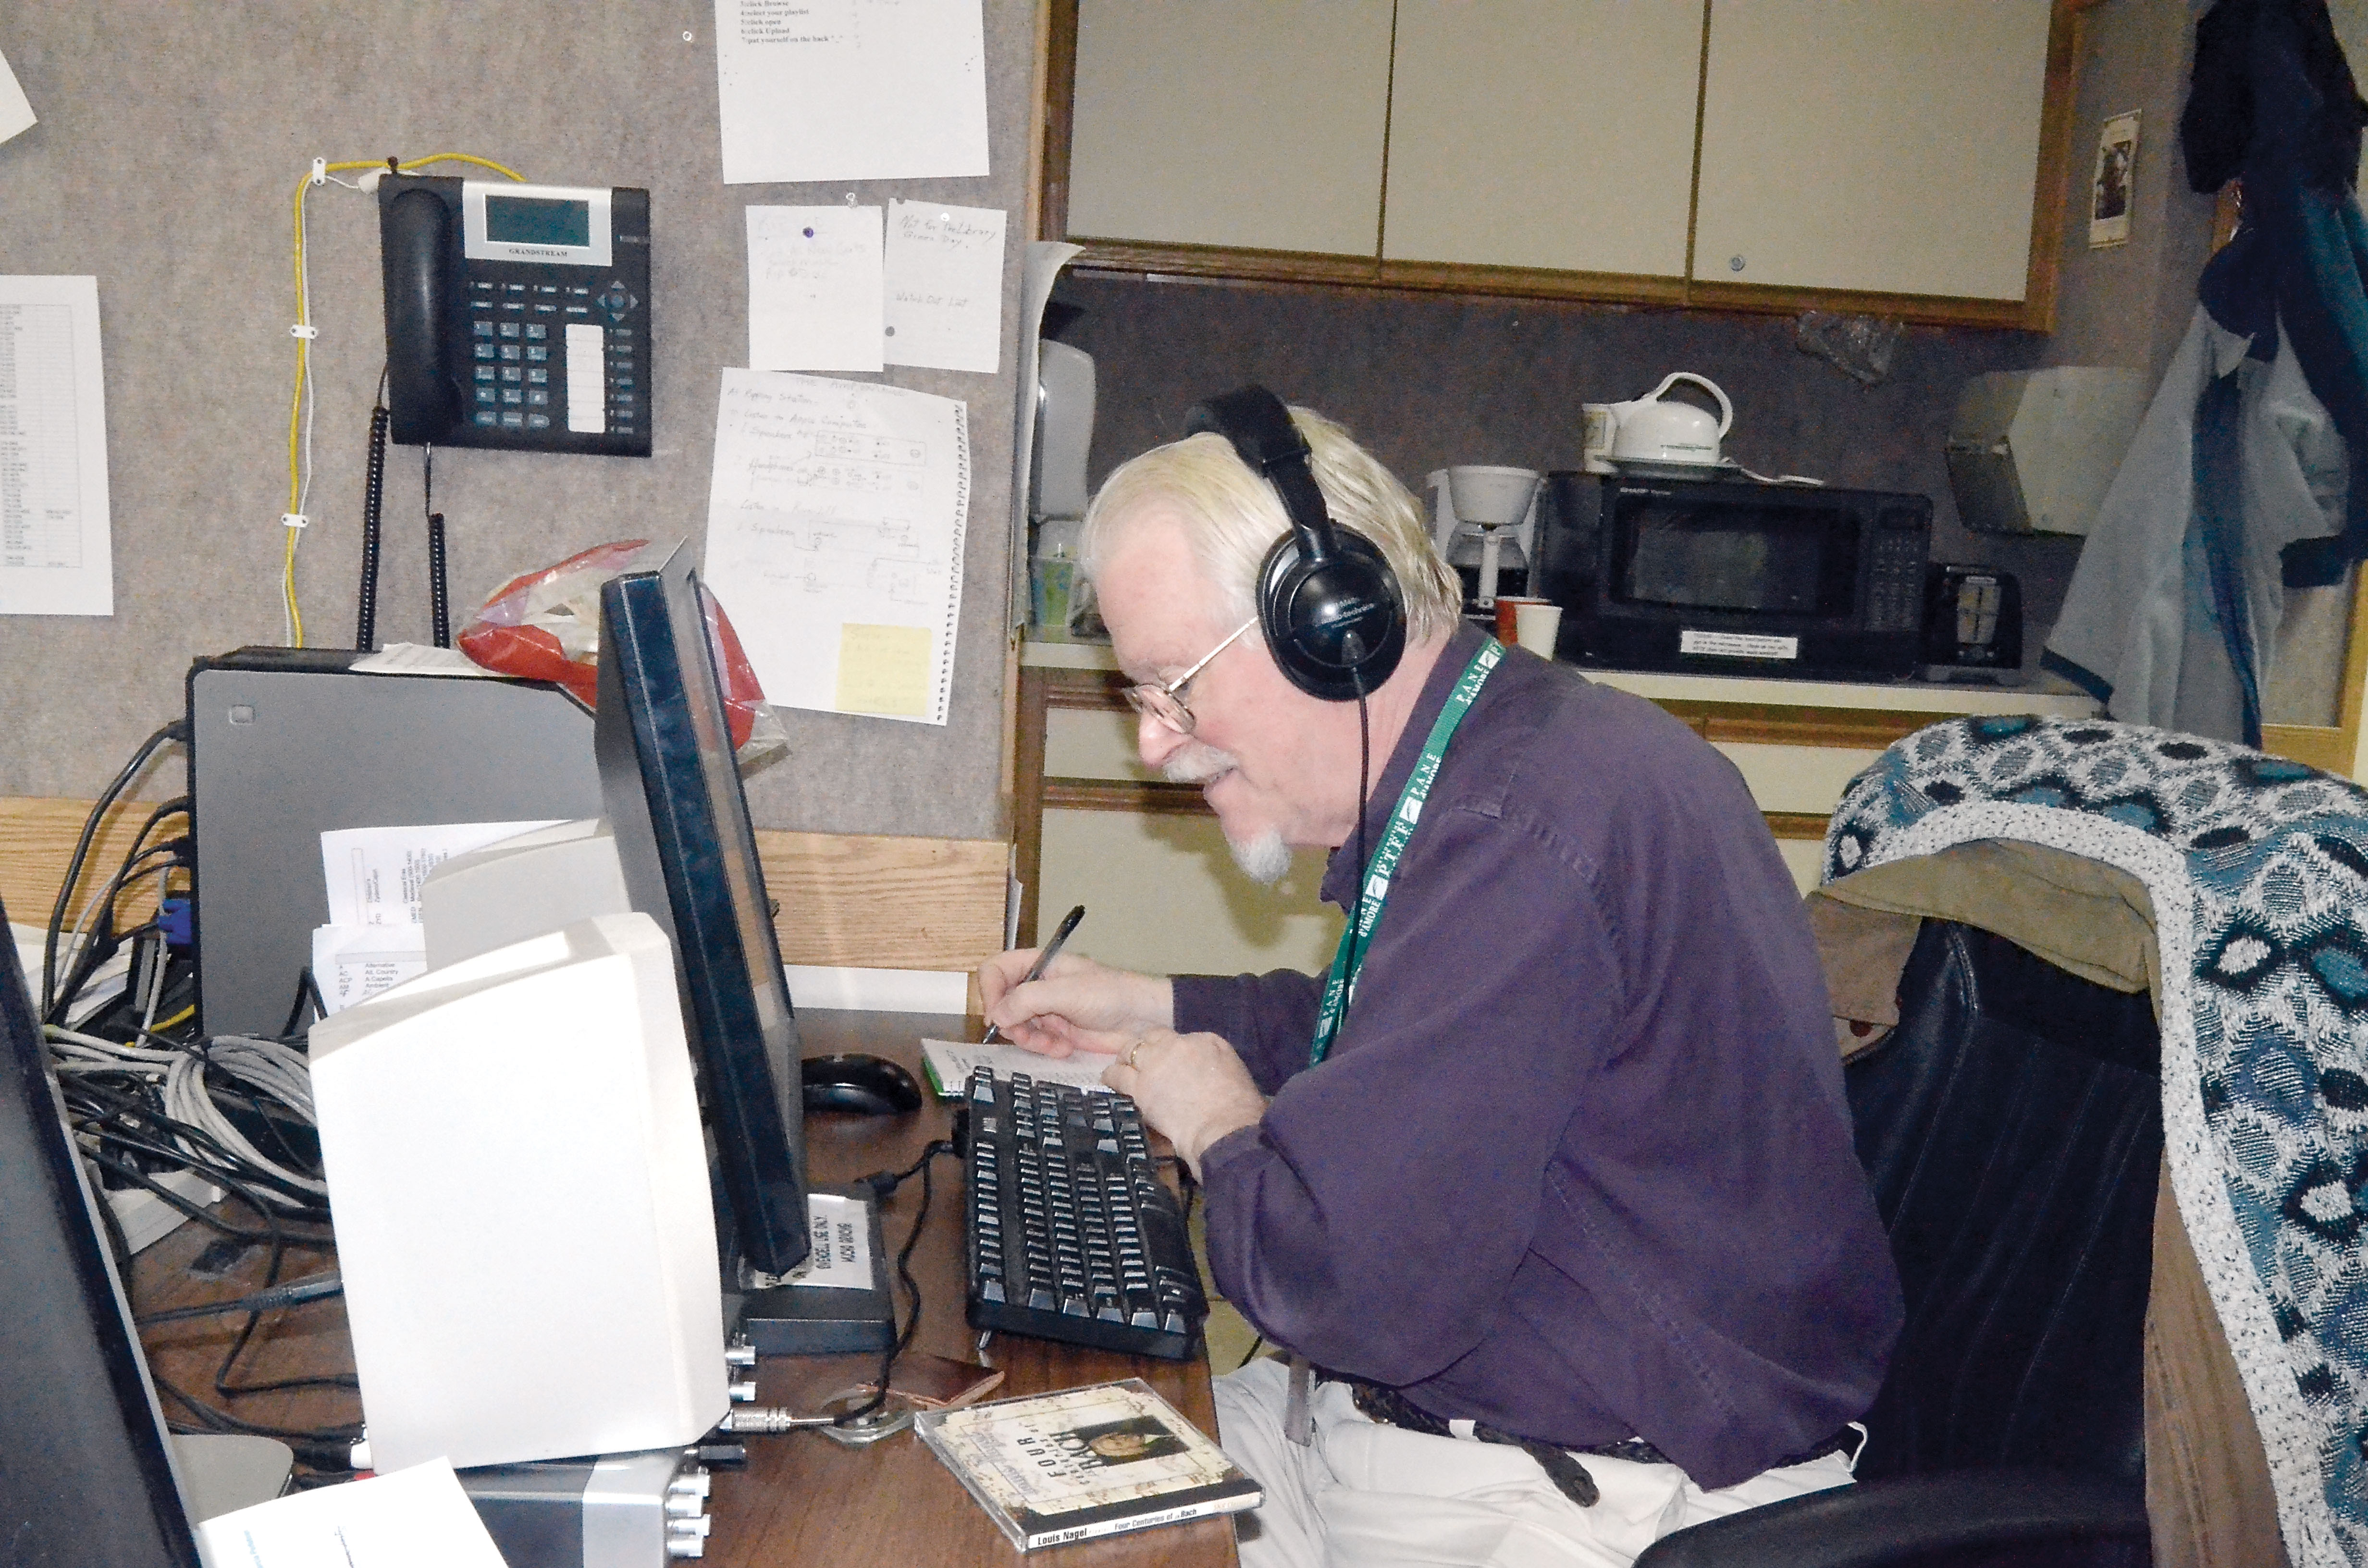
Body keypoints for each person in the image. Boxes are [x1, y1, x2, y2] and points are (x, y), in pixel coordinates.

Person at [980, 398, 1903, 1568]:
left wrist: (1219, 1126)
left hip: (1575, 1491)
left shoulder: (1516, 830)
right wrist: (1156, 1006)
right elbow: (1407, 1042)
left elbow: (1353, 1293)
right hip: (1455, 1437)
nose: (1157, 745)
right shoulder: (1512, 750)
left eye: (1173, 686)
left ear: (1329, 626)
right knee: (996, 1474)